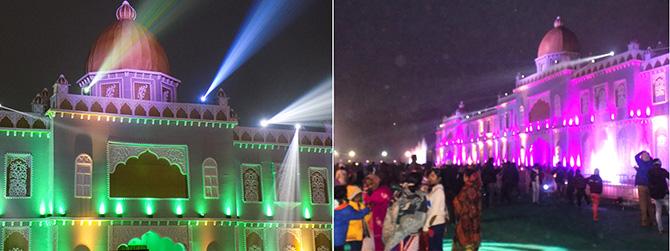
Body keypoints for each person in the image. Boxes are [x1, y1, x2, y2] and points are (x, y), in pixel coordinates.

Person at [382, 172, 427, 251]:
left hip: (409, 234)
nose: (407, 185)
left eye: (411, 183)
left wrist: (403, 227)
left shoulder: (421, 198)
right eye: (407, 181)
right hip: (394, 230)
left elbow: (420, 220)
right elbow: (389, 213)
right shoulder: (399, 195)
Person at [453, 168, 482, 251]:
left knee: (464, 243)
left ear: (466, 177)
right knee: (473, 242)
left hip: (465, 222)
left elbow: (458, 206)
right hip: (475, 221)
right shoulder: (477, 189)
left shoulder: (465, 190)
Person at [335, 185, 371, 251]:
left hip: (354, 237)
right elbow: (358, 215)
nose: (360, 197)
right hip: (344, 239)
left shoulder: (334, 206)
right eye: (358, 195)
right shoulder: (346, 208)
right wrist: (367, 209)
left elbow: (364, 218)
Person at [364, 174, 392, 250]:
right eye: (367, 184)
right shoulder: (374, 191)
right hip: (373, 221)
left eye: (370, 183)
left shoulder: (383, 191)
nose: (369, 186)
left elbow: (369, 202)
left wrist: (366, 194)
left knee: (380, 242)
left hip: (381, 220)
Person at [423, 168, 448, 251]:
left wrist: (426, 227)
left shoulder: (439, 192)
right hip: (434, 223)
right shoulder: (434, 190)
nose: (430, 178)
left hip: (435, 224)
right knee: (435, 247)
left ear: (439, 178)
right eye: (429, 176)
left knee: (434, 248)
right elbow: (429, 204)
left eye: (433, 176)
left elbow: (434, 212)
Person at [648, 159, 669, 233]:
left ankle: (660, 229)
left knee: (658, 212)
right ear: (660, 164)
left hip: (656, 195)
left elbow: (649, 183)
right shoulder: (662, 171)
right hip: (664, 194)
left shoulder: (650, 172)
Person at [346, 185, 370, 251]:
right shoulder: (347, 206)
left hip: (358, 237)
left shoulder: (360, 205)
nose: (359, 197)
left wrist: (368, 212)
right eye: (357, 195)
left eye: (360, 195)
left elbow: (366, 218)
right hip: (348, 237)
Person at [634, 150, 654, 227]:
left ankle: (644, 222)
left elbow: (636, 157)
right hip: (649, 186)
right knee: (649, 204)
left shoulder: (641, 163)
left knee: (643, 204)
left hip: (641, 186)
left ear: (642, 158)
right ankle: (652, 220)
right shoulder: (651, 164)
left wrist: (642, 151)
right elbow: (652, 159)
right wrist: (648, 155)